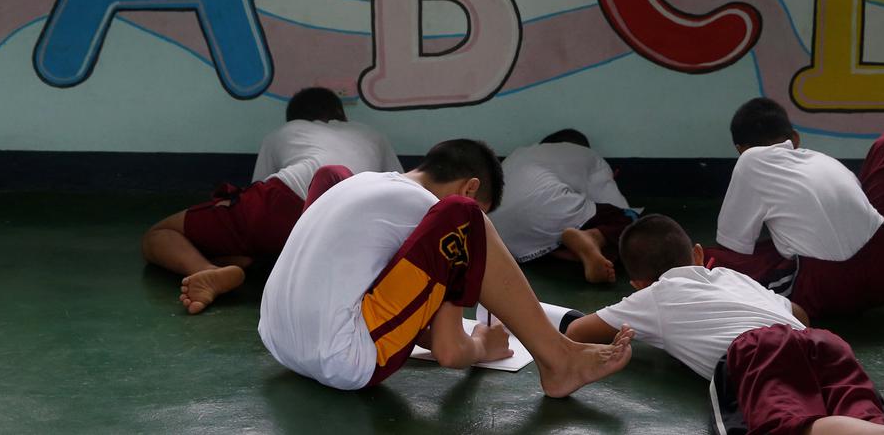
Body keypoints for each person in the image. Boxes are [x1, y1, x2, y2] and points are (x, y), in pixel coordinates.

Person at [258, 138, 635, 396]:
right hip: (344, 362)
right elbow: (449, 353)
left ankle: (557, 354)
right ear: (470, 187)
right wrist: (480, 346)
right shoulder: (440, 208)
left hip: (279, 343)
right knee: (464, 218)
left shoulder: (362, 184)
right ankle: (558, 359)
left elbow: (398, 297)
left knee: (333, 173)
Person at [565, 215, 884, 435]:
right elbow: (799, 313)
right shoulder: (734, 277)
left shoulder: (652, 295)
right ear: (699, 255)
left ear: (637, 284)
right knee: (856, 408)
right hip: (819, 341)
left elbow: (577, 333)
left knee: (783, 426)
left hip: (757, 350)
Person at [141, 87, 402, 314]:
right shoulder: (370, 133)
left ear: (294, 118)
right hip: (351, 225)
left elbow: (260, 193)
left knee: (161, 233)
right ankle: (252, 264)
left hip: (288, 197)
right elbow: (399, 186)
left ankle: (205, 269)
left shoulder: (285, 131)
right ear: (342, 116)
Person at [703, 98, 884, 319]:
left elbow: (734, 248)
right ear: (795, 138)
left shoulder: (749, 160)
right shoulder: (827, 162)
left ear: (740, 149)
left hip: (828, 291)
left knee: (706, 259)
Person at [490, 129, 636, 283]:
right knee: (629, 221)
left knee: (545, 229)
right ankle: (593, 237)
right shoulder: (589, 155)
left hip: (501, 235)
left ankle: (573, 250)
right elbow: (615, 204)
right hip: (549, 212)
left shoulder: (518, 154)